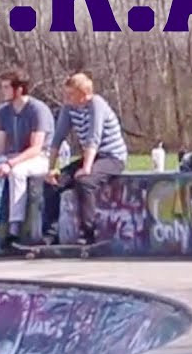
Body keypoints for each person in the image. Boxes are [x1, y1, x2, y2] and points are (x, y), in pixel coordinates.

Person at [0, 69, 54, 249]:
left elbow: (36, 148)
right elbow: (0, 145)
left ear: (19, 89)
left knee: (17, 172)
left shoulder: (38, 110)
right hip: (12, 156)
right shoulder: (4, 111)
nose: (3, 91)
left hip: (39, 157)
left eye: (6, 87)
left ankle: (14, 228)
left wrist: (9, 164)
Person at [40, 72, 128, 245]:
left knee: (85, 182)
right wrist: (51, 169)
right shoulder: (69, 109)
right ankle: (50, 235)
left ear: (84, 94)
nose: (67, 98)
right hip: (91, 157)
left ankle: (88, 233)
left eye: (71, 94)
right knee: (52, 183)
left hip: (112, 157)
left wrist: (86, 168)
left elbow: (93, 137)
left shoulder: (97, 104)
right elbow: (57, 138)